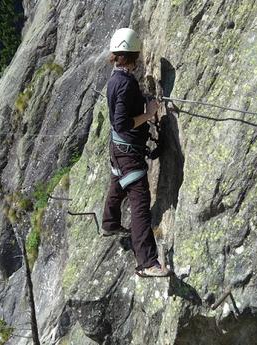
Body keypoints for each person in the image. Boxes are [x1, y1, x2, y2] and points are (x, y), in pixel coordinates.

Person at [101, 28, 170, 278]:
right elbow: (122, 122)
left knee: (117, 182)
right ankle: (147, 263)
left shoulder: (115, 78)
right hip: (128, 150)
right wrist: (149, 114)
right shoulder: (126, 83)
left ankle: (109, 223)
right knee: (140, 202)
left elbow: (121, 109)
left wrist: (142, 98)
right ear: (133, 55)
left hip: (118, 149)